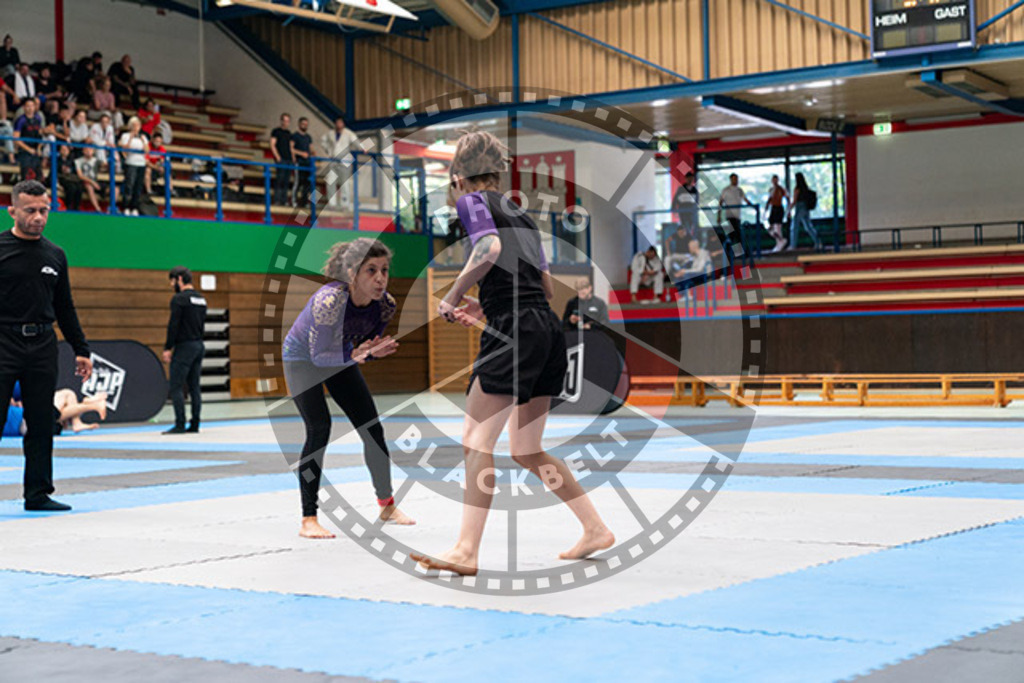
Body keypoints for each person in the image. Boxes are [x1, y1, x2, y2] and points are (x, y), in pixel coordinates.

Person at [412, 130, 614, 576]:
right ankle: (595, 528)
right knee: (526, 448)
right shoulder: (521, 214)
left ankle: (466, 550)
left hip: (515, 330)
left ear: (458, 176)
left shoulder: (472, 201)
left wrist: (453, 295)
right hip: (545, 327)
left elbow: (489, 247)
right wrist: (488, 303)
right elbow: (543, 286)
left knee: (475, 440)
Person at [281, 237, 413, 538]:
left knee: (372, 428)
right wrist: (357, 354)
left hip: (339, 357)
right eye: (371, 270)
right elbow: (318, 356)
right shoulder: (329, 301)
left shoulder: (385, 306)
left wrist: (371, 352)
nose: (380, 278)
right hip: (303, 360)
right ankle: (308, 518)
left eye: (384, 270)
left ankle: (386, 505)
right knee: (319, 428)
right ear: (352, 273)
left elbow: (363, 349)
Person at [0, 180, 93, 511]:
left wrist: (81, 349)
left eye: (44, 210)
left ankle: (37, 494)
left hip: (42, 344)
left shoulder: (56, 255)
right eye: (30, 210)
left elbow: (65, 306)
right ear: (12, 211)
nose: (38, 217)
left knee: (42, 422)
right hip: (3, 341)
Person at [162, 267, 207, 434]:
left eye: (172, 281)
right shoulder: (201, 299)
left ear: (179, 279)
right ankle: (195, 424)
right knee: (194, 386)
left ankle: (180, 423)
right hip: (198, 345)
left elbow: (173, 325)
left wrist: (168, 347)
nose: (171, 285)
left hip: (184, 346)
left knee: (176, 386)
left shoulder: (179, 299)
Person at [321, 116, 359, 210]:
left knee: (344, 183)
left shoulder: (348, 133)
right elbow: (323, 141)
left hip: (345, 160)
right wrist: (328, 150)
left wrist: (363, 148)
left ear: (343, 124)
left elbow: (356, 142)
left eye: (340, 122)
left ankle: (344, 204)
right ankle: (332, 204)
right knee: (330, 181)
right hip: (333, 160)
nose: (339, 124)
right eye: (337, 122)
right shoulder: (330, 133)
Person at [119, 116, 149, 216]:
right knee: (129, 185)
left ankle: (135, 207)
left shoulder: (143, 137)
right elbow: (125, 150)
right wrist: (131, 138)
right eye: (134, 125)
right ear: (130, 126)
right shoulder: (125, 135)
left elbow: (147, 150)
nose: (136, 127)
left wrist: (143, 140)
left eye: (138, 125)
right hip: (131, 163)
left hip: (141, 163)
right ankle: (126, 206)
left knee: (138, 186)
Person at [13, 98, 44, 182]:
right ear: (24, 107)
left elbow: (40, 135)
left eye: (32, 106)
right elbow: (16, 138)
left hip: (35, 151)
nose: (30, 108)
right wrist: (28, 149)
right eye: (28, 106)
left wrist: (39, 148)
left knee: (38, 177)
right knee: (26, 176)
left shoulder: (38, 119)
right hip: (24, 151)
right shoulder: (20, 120)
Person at [788, 172, 821, 250]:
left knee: (794, 227)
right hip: (806, 208)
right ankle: (818, 242)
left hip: (799, 208)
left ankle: (793, 245)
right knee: (808, 227)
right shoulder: (805, 188)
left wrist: (789, 209)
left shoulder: (797, 189)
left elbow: (794, 201)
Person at [270, 113, 293, 206]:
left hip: (288, 159)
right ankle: (277, 199)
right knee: (280, 179)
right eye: (284, 120)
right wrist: (277, 157)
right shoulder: (276, 131)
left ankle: (284, 200)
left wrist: (293, 158)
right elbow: (272, 144)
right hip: (281, 159)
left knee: (286, 180)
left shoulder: (289, 133)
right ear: (281, 121)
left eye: (288, 121)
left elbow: (291, 147)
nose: (286, 123)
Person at [291, 116, 315, 207]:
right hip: (299, 162)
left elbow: (311, 149)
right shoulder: (295, 136)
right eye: (303, 124)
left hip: (307, 163)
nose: (305, 125)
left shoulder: (308, 137)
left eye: (306, 124)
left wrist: (313, 153)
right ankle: (294, 201)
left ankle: (304, 202)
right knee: (298, 182)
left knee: (307, 183)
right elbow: (291, 148)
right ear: (299, 124)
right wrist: (301, 153)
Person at [51, 144, 82, 211]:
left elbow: (75, 171)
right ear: (60, 151)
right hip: (62, 178)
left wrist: (69, 170)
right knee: (71, 187)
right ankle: (68, 206)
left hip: (71, 178)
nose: (65, 151)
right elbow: (53, 172)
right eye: (63, 149)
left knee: (79, 187)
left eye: (66, 149)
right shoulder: (56, 160)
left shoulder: (72, 160)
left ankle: (76, 207)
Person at [75, 145, 105, 213]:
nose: (88, 151)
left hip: (96, 181)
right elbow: (80, 176)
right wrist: (92, 182)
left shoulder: (96, 160)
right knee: (89, 186)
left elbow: (105, 166)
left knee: (115, 188)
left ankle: (111, 208)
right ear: (83, 151)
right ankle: (98, 210)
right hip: (84, 182)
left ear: (93, 151)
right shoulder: (78, 161)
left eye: (90, 150)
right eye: (86, 150)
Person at [671, 170, 699, 240]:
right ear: (685, 179)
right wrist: (674, 210)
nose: (690, 180)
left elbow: (696, 202)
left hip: (692, 212)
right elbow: (675, 200)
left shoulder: (694, 190)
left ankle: (692, 240)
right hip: (683, 211)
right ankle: (687, 240)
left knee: (692, 226)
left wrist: (695, 210)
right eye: (689, 179)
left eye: (691, 179)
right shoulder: (681, 189)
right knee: (685, 227)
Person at [764, 174, 788, 252]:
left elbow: (787, 197)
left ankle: (779, 244)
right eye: (773, 180)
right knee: (770, 228)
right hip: (773, 208)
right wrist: (766, 209)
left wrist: (788, 209)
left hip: (779, 208)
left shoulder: (781, 189)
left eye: (776, 180)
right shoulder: (771, 189)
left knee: (778, 227)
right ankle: (781, 240)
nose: (775, 181)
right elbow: (769, 199)